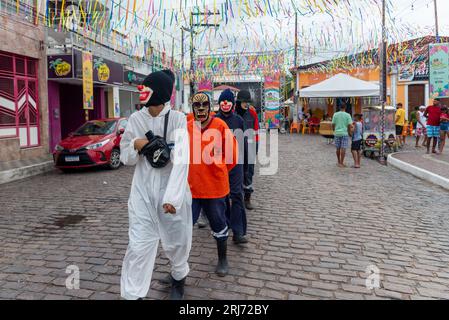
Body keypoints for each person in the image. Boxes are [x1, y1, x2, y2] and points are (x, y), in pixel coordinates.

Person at [120, 70, 192, 300]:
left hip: (171, 190)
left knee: (176, 240)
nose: (142, 93)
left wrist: (173, 198)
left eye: (147, 89)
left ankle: (179, 277)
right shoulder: (136, 119)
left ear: (159, 93)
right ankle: (133, 294)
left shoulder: (179, 119)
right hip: (142, 192)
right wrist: (137, 144)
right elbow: (125, 158)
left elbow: (181, 161)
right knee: (139, 244)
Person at [188, 92, 238, 277]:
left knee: (218, 223)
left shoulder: (220, 126)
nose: (201, 109)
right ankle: (179, 268)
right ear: (191, 107)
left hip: (215, 189)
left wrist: (216, 168)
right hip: (191, 189)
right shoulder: (187, 127)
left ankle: (223, 259)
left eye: (204, 105)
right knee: (183, 228)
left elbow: (232, 156)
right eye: (196, 105)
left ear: (211, 106)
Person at [215, 89, 248, 244]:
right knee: (220, 198)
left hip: (236, 165)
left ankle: (238, 231)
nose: (225, 104)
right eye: (223, 101)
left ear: (233, 104)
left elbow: (244, 145)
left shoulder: (239, 121)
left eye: (228, 101)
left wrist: (246, 165)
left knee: (236, 196)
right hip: (218, 164)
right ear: (219, 103)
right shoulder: (213, 120)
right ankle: (221, 227)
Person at [236, 90, 259, 211]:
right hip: (236, 149)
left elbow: (256, 131)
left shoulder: (252, 114)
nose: (246, 104)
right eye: (244, 102)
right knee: (236, 173)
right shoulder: (233, 113)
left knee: (249, 173)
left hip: (249, 147)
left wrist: (255, 148)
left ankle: (247, 198)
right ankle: (236, 197)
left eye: (248, 102)